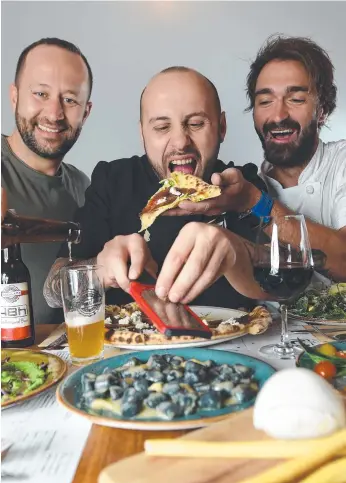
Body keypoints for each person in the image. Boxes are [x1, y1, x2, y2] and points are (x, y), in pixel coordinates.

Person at [44, 66, 270, 310]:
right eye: (162, 127)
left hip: (232, 339)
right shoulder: (113, 181)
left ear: (222, 127)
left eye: (196, 123)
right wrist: (99, 269)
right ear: (143, 133)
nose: (181, 142)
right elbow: (52, 293)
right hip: (131, 343)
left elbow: (284, 276)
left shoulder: (242, 186)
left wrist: (239, 241)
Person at [1, 37, 93, 323]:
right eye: (41, 94)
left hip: (61, 360)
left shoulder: (86, 189)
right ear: (15, 96)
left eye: (69, 100)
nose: (54, 114)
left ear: (85, 112)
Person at [246, 35, 345, 279]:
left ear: (322, 110)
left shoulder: (341, 163)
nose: (278, 115)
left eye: (296, 99)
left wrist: (254, 203)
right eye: (265, 101)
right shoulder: (250, 181)